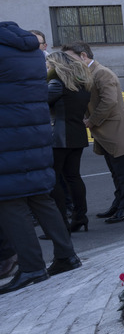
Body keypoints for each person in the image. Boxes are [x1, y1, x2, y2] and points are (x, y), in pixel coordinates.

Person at [0, 21, 81, 293]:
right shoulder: (32, 52)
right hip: (34, 134)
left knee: (10, 202)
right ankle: (66, 256)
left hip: (7, 137)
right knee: (39, 196)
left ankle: (32, 267)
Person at [64, 41, 124, 224]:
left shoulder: (101, 72)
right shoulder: (89, 72)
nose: (67, 63)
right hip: (106, 131)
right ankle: (118, 203)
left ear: (83, 56)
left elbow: (109, 101)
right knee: (115, 172)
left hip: (116, 129)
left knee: (122, 172)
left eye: (70, 58)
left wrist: (91, 120)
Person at [46, 50, 92, 231]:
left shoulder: (57, 83)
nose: (47, 68)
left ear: (56, 66)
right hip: (76, 134)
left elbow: (41, 101)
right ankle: (80, 217)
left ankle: (60, 223)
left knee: (54, 179)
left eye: (49, 65)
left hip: (59, 136)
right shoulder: (80, 83)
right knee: (73, 177)